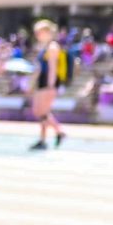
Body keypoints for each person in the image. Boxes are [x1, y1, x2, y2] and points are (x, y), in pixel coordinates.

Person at [23, 20, 71, 150]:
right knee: (40, 111)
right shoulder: (44, 47)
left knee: (42, 112)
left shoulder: (52, 46)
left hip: (49, 82)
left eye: (40, 32)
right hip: (42, 81)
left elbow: (52, 67)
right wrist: (31, 84)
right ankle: (54, 134)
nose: (37, 35)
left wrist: (51, 85)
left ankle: (53, 134)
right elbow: (38, 68)